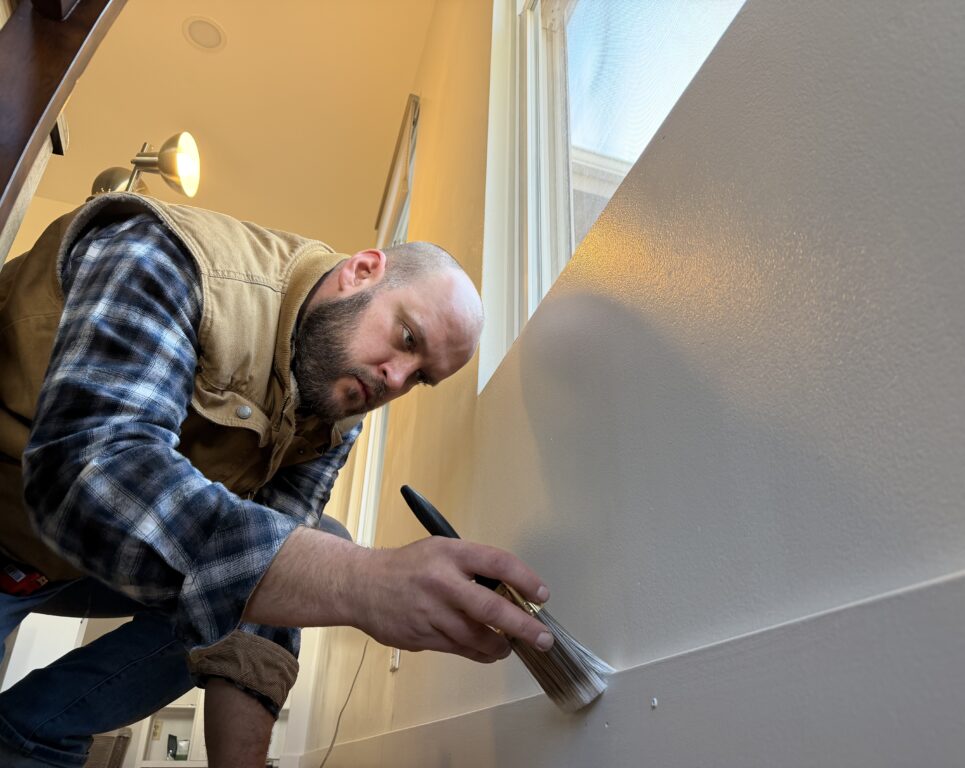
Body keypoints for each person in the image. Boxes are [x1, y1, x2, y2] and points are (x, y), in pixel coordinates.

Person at [0, 192, 554, 767]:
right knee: (327, 562)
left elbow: (263, 606)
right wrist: (365, 583)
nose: (395, 378)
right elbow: (88, 471)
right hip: (14, 528)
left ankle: (32, 731)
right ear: (363, 271)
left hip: (75, 565)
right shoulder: (168, 256)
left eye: (420, 378)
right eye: (407, 339)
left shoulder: (338, 416)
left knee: (318, 544)